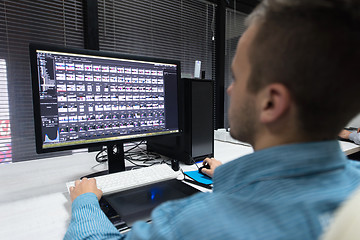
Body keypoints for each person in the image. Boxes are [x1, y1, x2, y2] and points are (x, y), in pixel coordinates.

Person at [64, 0, 360, 239]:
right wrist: (228, 176)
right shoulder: (354, 188)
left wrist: (84, 202)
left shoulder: (193, 224)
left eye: (237, 77)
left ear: (270, 103)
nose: (230, 89)